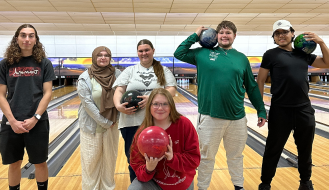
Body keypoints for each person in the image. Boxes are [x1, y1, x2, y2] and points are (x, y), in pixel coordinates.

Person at [174, 21, 267, 190]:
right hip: (210, 116)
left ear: (234, 36)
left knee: (236, 156)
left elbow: (251, 87)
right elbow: (179, 53)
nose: (225, 35)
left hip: (237, 118)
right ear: (216, 35)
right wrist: (195, 35)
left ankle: (239, 186)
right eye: (222, 32)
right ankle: (202, 187)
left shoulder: (241, 58)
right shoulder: (202, 53)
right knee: (206, 157)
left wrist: (261, 109)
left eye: (228, 32)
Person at [257, 20, 329, 190]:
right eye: (277, 33)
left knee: (305, 149)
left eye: (285, 32)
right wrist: (260, 107)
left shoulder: (303, 53)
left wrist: (321, 42)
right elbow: (260, 80)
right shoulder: (270, 54)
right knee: (273, 149)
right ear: (274, 37)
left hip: (304, 109)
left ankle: (305, 182)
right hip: (280, 109)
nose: (281, 35)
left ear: (292, 34)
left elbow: (327, 63)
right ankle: (265, 184)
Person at [0, 24, 55, 190]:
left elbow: (48, 93)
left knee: (40, 162)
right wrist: (13, 121)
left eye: (31, 36)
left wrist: (35, 118)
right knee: (14, 163)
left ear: (36, 40)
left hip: (37, 122)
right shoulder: (5, 64)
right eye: (23, 35)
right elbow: (0, 95)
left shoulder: (44, 64)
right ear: (17, 38)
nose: (27, 39)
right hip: (11, 123)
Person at [113, 39, 177, 182]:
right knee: (134, 160)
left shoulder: (163, 70)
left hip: (157, 121)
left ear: (153, 51)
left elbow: (171, 90)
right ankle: (137, 185)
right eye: (141, 51)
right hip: (131, 122)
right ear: (137, 53)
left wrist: (152, 98)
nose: (144, 53)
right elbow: (119, 90)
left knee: (159, 158)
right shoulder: (130, 70)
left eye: (147, 50)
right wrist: (118, 106)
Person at [128, 88, 200, 190]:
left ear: (171, 106)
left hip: (181, 179)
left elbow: (194, 160)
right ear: (150, 106)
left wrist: (172, 158)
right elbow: (137, 166)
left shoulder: (184, 124)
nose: (160, 108)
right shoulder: (142, 133)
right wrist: (149, 168)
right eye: (156, 104)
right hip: (154, 181)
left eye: (165, 104)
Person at [77, 46, 121, 190]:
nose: (103, 57)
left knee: (109, 162)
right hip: (91, 127)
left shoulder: (118, 74)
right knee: (91, 163)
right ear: (94, 57)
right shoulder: (84, 77)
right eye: (99, 55)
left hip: (112, 126)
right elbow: (87, 104)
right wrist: (106, 122)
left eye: (106, 55)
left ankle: (108, 187)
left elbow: (122, 97)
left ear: (110, 57)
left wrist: (116, 118)